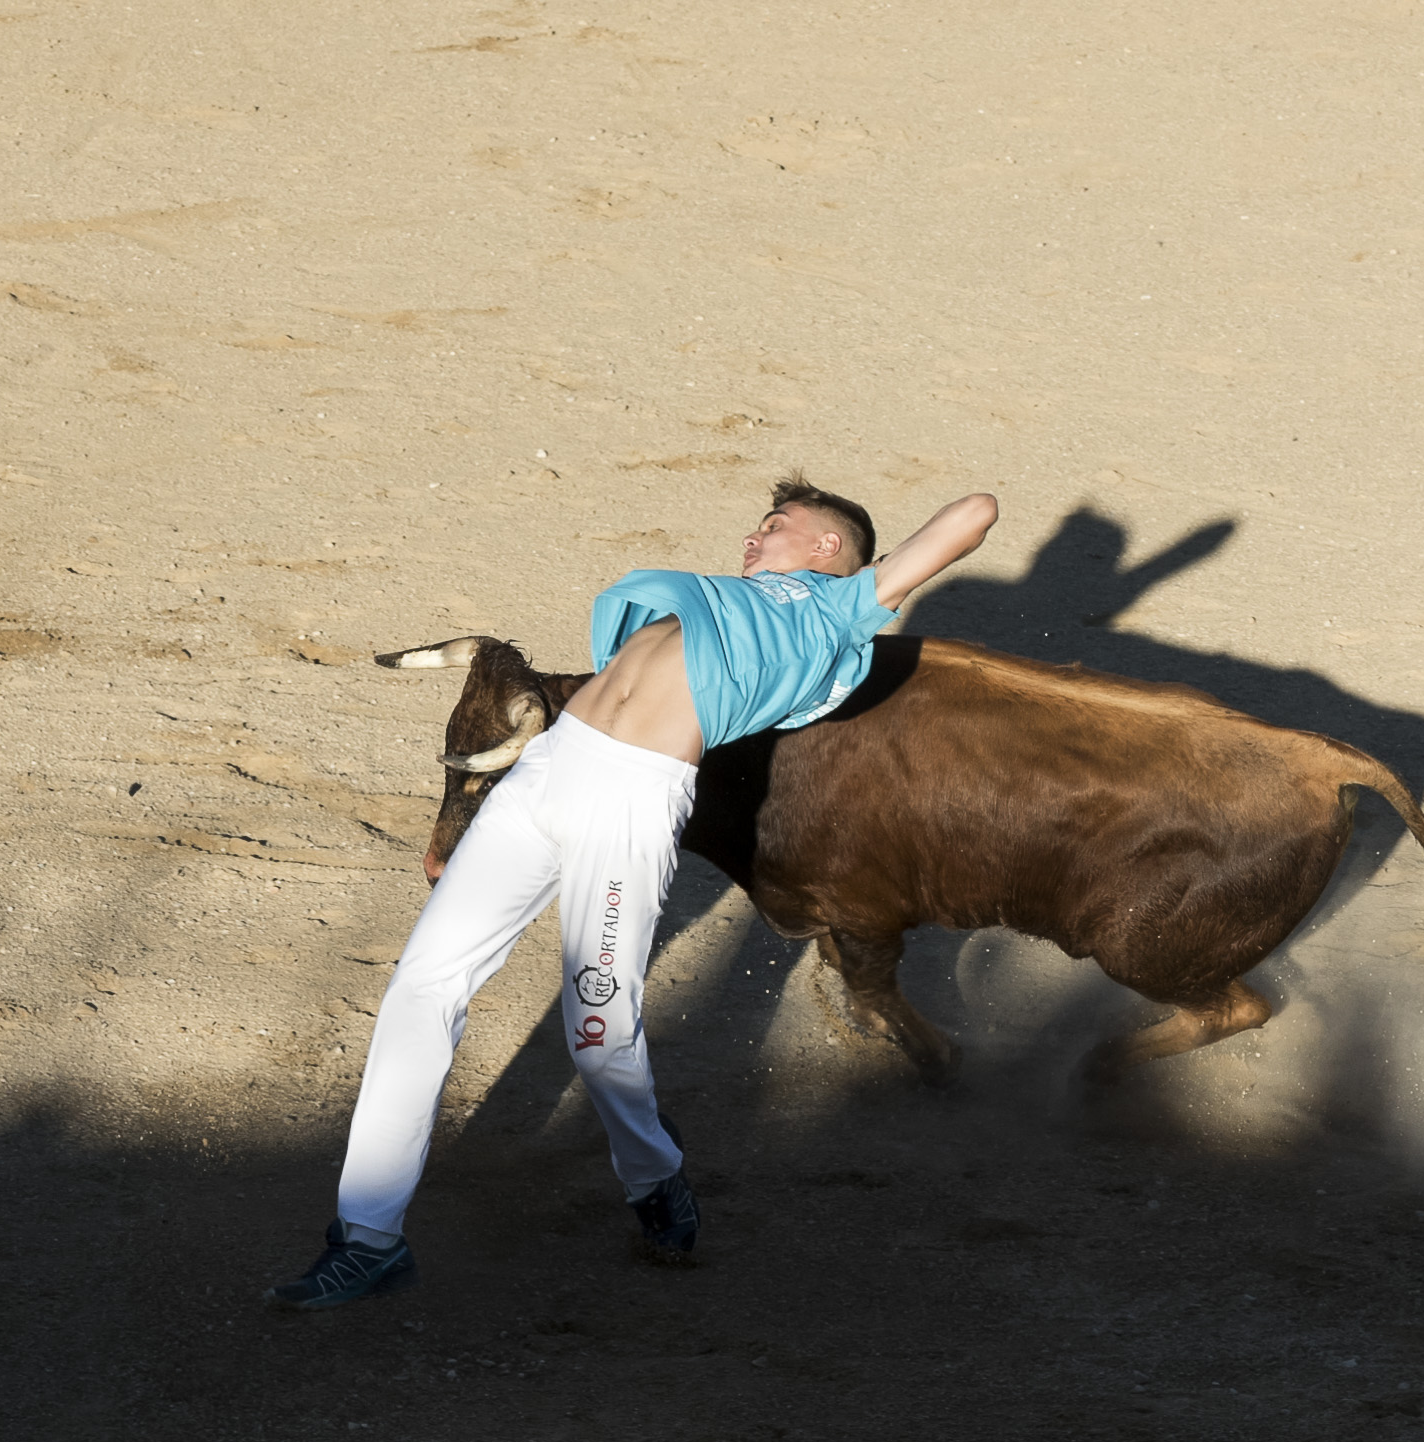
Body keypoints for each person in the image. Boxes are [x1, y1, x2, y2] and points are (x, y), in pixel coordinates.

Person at [265, 476, 999, 1308]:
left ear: (828, 547)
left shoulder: (839, 607)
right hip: (546, 771)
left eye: (774, 525)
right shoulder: (712, 600)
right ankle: (368, 1238)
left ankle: (654, 1177)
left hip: (631, 800)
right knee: (421, 986)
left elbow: (974, 513)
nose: (751, 540)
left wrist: (880, 572)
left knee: (596, 1033)